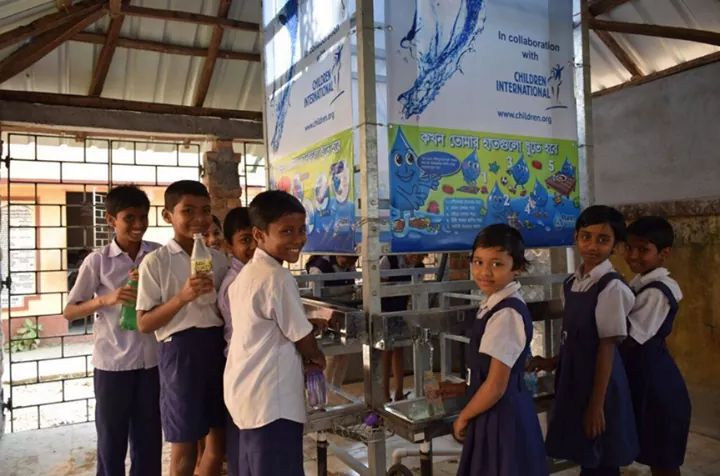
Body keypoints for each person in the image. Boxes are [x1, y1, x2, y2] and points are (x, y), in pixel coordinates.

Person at [531, 205, 638, 476]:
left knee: (602, 456)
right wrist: (552, 361)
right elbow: (577, 338)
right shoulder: (572, 283)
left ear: (615, 245)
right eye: (586, 237)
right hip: (575, 378)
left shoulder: (611, 287)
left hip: (600, 384)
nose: (592, 246)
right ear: (576, 237)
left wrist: (596, 406)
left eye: (603, 239)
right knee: (587, 456)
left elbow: (606, 346)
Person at [224, 190, 325, 476]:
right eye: (286, 231)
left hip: (246, 394)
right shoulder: (277, 277)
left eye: (301, 230)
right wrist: (316, 358)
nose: (298, 239)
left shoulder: (246, 274)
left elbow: (269, 324)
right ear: (259, 235)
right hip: (272, 402)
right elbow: (301, 337)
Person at [63, 185, 162, 476]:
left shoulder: (156, 254)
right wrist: (107, 299)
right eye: (129, 218)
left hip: (152, 361)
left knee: (149, 438)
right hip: (112, 363)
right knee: (111, 438)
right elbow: (70, 310)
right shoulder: (98, 261)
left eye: (143, 217)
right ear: (111, 220)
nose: (138, 224)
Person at [136, 180, 229, 476]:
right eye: (188, 211)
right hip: (180, 353)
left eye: (205, 210)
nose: (199, 218)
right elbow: (144, 322)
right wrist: (182, 297)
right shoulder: (156, 262)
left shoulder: (218, 260)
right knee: (184, 445)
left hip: (217, 348)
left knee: (218, 442)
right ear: (168, 216)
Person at [444, 224, 547, 476]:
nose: (484, 272)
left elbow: (496, 385)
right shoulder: (493, 305)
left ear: (517, 267)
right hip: (494, 411)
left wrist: (463, 417)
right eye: (478, 262)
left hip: (502, 417)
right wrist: (462, 387)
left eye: (496, 264)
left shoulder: (506, 314)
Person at [622, 216, 690, 476]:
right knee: (653, 451)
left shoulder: (657, 292)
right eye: (629, 247)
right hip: (644, 380)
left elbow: (629, 339)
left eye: (643, 250)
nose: (633, 255)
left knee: (663, 460)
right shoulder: (639, 283)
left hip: (658, 387)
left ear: (664, 253)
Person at [217, 207, 256, 476]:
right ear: (229, 246)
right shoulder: (236, 282)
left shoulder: (254, 274)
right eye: (245, 240)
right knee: (243, 440)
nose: (253, 246)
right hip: (243, 366)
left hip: (248, 366)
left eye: (256, 238)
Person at [379, 253, 426, 402]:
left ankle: (399, 392)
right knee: (386, 351)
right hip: (385, 310)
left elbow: (416, 292)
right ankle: (384, 394)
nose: (417, 259)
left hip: (402, 310)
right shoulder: (388, 260)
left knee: (399, 349)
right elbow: (378, 286)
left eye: (421, 256)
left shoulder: (419, 267)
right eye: (415, 255)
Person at [306, 254, 358, 386]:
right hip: (324, 320)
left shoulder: (350, 267)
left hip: (344, 317)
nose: (351, 263)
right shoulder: (320, 268)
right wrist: (326, 317)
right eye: (348, 259)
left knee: (343, 356)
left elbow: (352, 290)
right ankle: (325, 393)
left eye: (354, 260)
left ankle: (337, 390)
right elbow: (313, 300)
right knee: (330, 357)